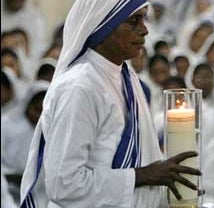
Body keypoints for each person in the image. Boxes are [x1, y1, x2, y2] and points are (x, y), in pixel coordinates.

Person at [20, 1, 201, 207]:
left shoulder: (127, 77)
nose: (144, 30)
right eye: (134, 21)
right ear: (102, 24)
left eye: (144, 18)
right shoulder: (80, 87)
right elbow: (64, 184)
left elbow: (145, 157)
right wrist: (142, 175)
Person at [1, 80, 49, 203]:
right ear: (28, 104)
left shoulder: (51, 136)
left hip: (40, 197)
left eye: (43, 111)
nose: (39, 116)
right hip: (8, 191)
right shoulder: (6, 125)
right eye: (36, 109)